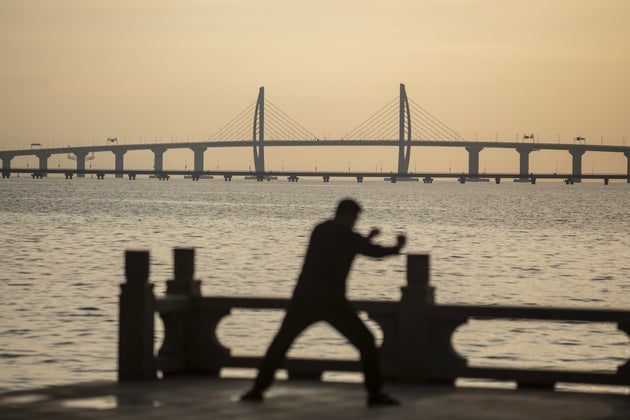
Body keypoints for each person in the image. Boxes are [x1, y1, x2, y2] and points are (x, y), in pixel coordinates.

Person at [241, 198, 406, 406]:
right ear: (348, 215)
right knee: (366, 341)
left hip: (304, 299)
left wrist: (364, 239)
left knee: (280, 343)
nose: (355, 222)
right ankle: (375, 394)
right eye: (355, 218)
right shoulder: (348, 236)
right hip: (332, 301)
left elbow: (346, 245)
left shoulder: (320, 230)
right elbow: (372, 252)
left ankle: (258, 389)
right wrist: (398, 247)